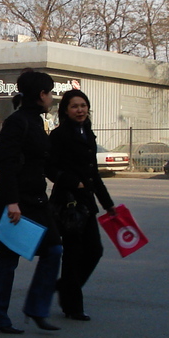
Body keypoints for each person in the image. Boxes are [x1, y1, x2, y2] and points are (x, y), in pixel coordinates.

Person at [0, 69, 64, 333]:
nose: (52, 97)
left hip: (38, 200)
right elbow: (7, 165)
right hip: (18, 201)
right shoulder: (17, 122)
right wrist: (12, 203)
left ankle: (36, 308)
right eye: (50, 92)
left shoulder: (36, 121)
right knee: (8, 259)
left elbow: (43, 161)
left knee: (53, 250)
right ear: (41, 95)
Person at [47, 88, 116, 321]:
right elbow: (49, 168)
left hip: (87, 202)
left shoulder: (88, 132)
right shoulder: (58, 136)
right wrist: (72, 182)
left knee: (95, 251)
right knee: (74, 253)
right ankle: (72, 306)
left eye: (83, 106)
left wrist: (108, 205)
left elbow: (93, 174)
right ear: (66, 110)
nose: (80, 110)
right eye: (75, 106)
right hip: (68, 203)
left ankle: (66, 286)